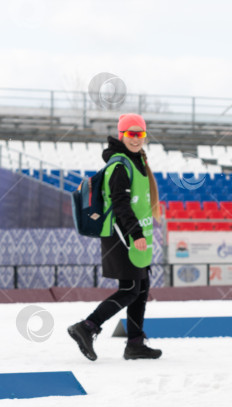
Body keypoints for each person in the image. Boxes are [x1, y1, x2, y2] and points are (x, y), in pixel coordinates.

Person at [68, 113, 162, 361]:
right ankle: (87, 327)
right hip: (122, 233)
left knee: (141, 289)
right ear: (122, 135)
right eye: (131, 134)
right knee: (130, 288)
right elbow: (120, 204)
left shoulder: (136, 160)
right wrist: (135, 233)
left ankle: (135, 343)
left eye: (140, 134)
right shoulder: (119, 165)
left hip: (135, 234)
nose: (136, 138)